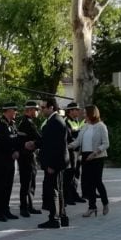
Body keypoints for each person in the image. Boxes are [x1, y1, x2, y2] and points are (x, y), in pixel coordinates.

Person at [68, 105, 110, 217]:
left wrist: (95, 153)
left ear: (92, 114)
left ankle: (105, 203)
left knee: (97, 181)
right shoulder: (85, 126)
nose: (83, 115)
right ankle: (92, 207)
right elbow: (77, 142)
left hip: (97, 156)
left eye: (86, 113)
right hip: (86, 156)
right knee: (88, 183)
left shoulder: (101, 126)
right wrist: (67, 146)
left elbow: (106, 144)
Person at [35, 98, 70, 229]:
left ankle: (54, 219)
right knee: (58, 189)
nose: (42, 110)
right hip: (57, 162)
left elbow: (56, 146)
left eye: (43, 107)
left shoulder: (55, 122)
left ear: (51, 108)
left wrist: (51, 165)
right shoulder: (55, 120)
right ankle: (63, 217)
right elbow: (47, 141)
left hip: (54, 163)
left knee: (53, 190)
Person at [0, 103, 21, 221]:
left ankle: (6, 209)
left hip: (10, 161)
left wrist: (17, 150)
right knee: (0, 187)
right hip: (1, 161)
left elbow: (16, 139)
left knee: (8, 186)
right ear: (8, 110)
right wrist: (12, 152)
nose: (15, 112)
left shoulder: (12, 124)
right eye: (14, 110)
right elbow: (2, 143)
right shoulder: (0, 125)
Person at [17, 100, 43, 217]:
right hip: (25, 157)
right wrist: (38, 142)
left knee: (31, 182)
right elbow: (37, 138)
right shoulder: (26, 123)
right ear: (30, 110)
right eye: (36, 109)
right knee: (26, 183)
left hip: (30, 156)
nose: (37, 111)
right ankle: (24, 207)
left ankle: (30, 205)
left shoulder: (29, 122)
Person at [64, 102, 86, 205]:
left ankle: (74, 194)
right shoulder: (66, 121)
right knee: (69, 174)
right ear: (70, 111)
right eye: (76, 110)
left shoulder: (76, 121)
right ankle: (67, 196)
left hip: (77, 151)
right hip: (70, 151)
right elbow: (68, 137)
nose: (78, 111)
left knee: (76, 173)